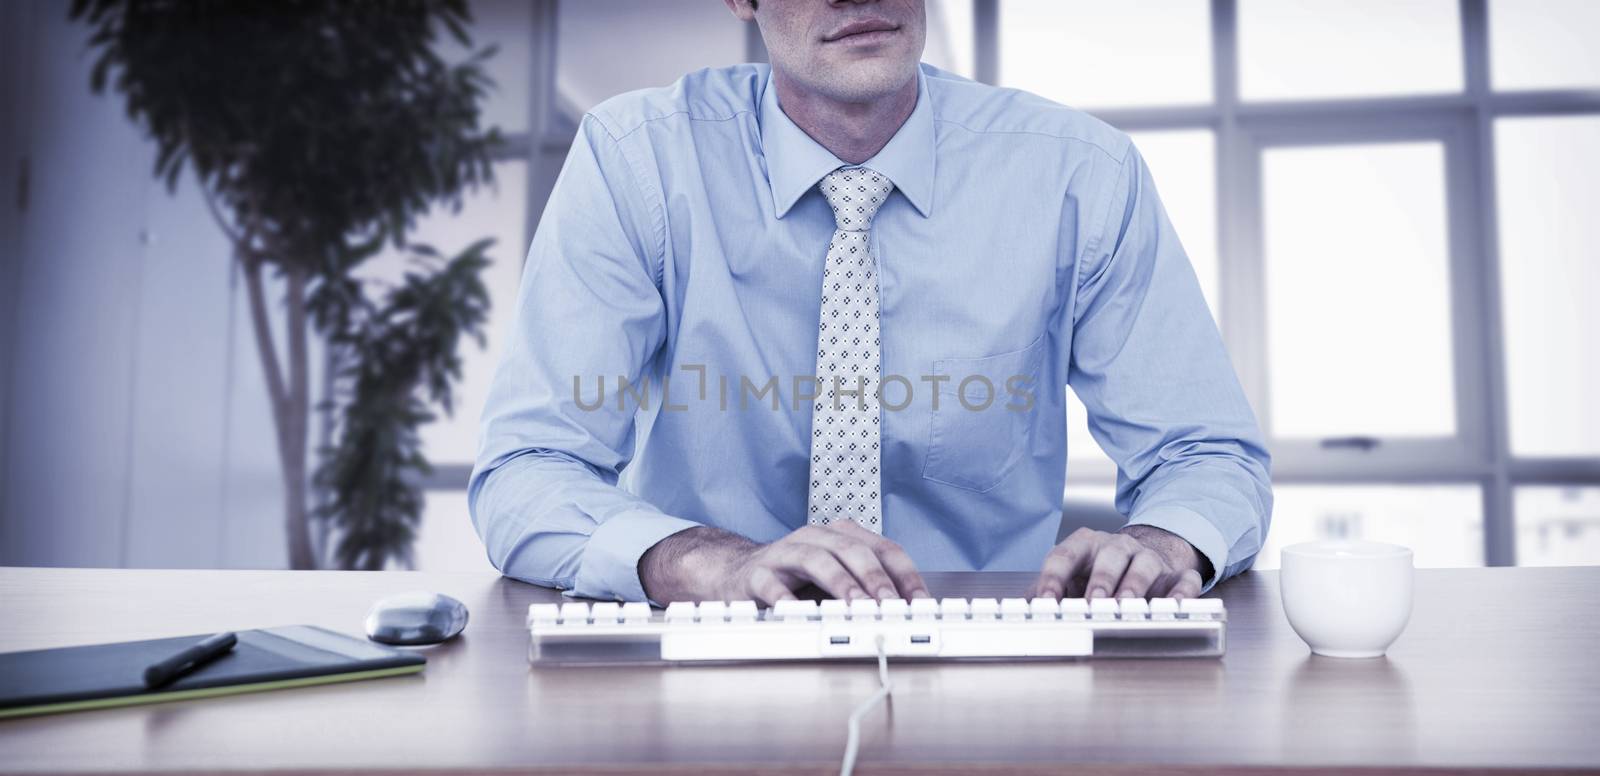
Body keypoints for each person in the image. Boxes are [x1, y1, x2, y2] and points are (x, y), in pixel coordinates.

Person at [470, 0, 1272, 606]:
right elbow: (528, 469)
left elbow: (1207, 454)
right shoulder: (636, 159)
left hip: (987, 669)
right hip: (703, 650)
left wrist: (1165, 541)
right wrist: (709, 564)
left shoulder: (1079, 175)